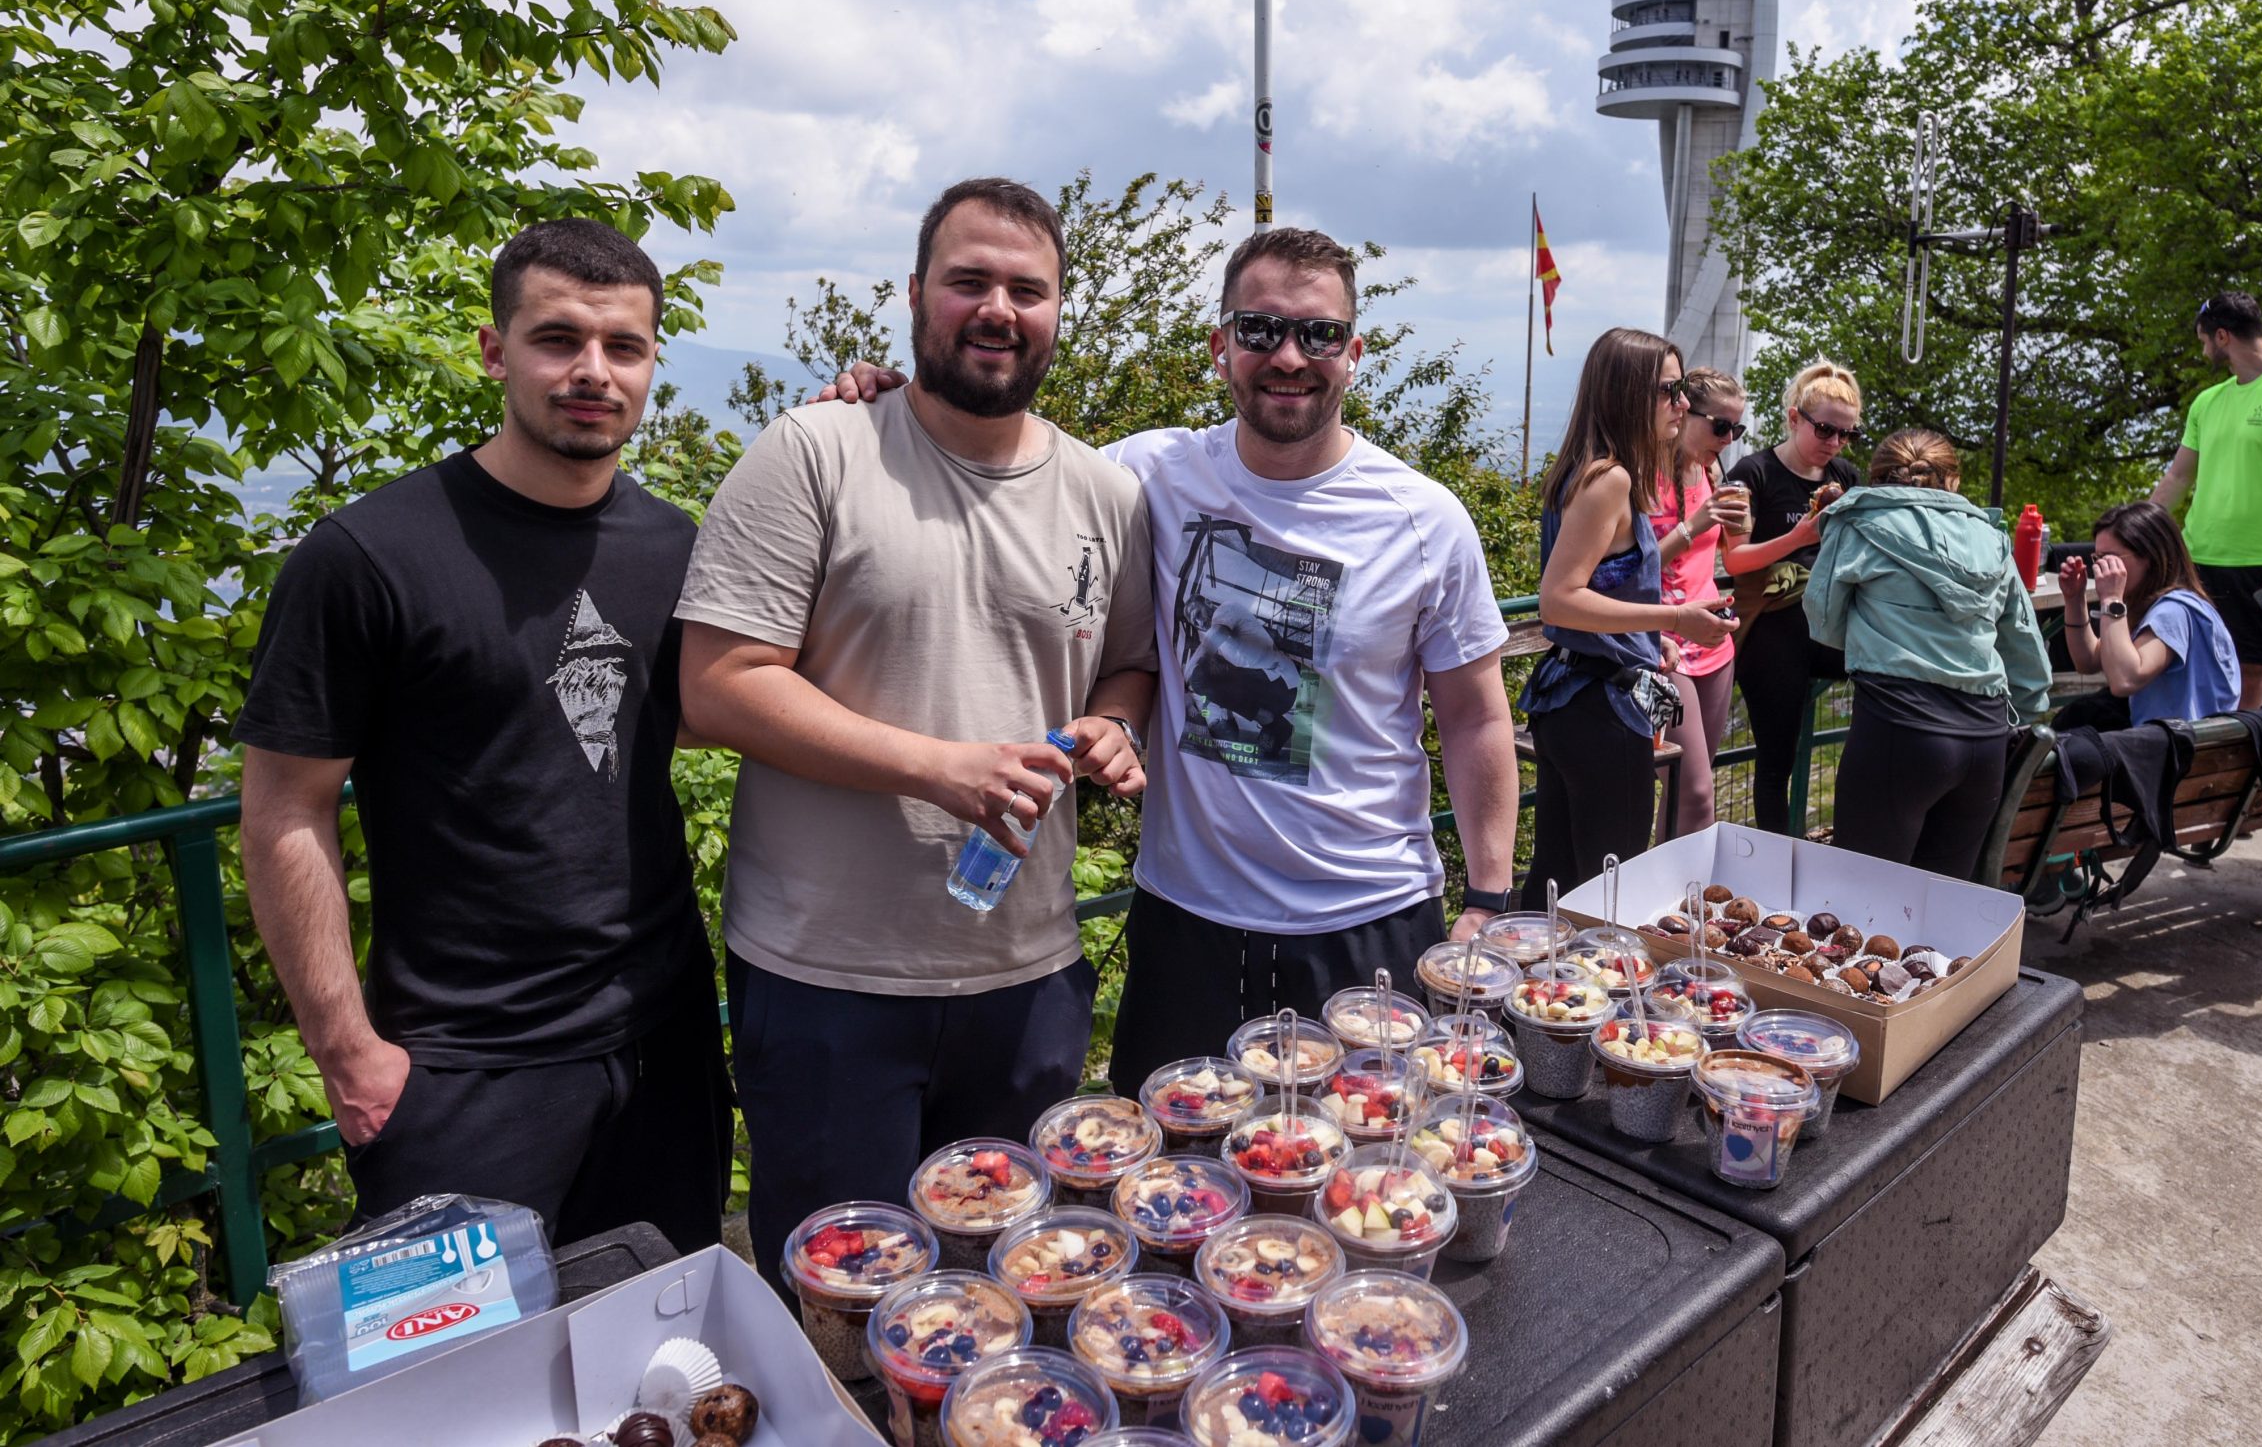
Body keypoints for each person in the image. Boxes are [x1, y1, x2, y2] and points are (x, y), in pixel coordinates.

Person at [821, 226, 1520, 1097]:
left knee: (1373, 1163)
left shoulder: (1424, 518)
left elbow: (1475, 716)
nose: (1289, 356)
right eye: (1261, 329)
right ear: (1221, 345)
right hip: (1186, 925)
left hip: (1366, 920)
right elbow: (1003, 458)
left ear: (1354, 353)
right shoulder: (1147, 472)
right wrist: (895, 406)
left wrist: (1488, 899)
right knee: (1167, 1164)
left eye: (1319, 334)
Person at [675, 178, 1158, 1292]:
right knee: (843, 1306)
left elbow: (1126, 663)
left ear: (1058, 310)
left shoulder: (1107, 493)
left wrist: (1113, 722)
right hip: (827, 976)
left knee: (1013, 1294)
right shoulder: (817, 450)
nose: (997, 309)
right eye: (968, 280)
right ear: (914, 294)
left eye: (1026, 289)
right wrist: (940, 768)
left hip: (1028, 972)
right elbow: (717, 686)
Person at [237, 219, 730, 1253]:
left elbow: (686, 715)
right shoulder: (367, 555)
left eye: (624, 346)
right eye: (558, 339)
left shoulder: (673, 544)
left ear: (652, 364)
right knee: (463, 1354)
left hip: (664, 1040)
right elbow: (285, 807)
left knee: (658, 1328)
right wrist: (346, 1052)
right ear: (494, 351)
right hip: (464, 1067)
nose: (592, 371)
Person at [1521, 329, 1739, 886]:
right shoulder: (1612, 479)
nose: (1683, 403)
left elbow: (1602, 584)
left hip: (1571, 698)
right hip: (1601, 710)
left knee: (1556, 881)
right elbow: (1559, 600)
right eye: (1669, 390)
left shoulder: (1587, 469)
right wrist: (1675, 619)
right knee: (1608, 890)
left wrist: (1645, 638)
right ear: (1627, 394)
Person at [1808, 430, 2051, 876]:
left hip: (1898, 728)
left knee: (1862, 897)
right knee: (1940, 902)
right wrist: (2030, 706)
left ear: (1878, 477)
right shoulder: (1992, 537)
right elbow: (2022, 640)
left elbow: (1823, 620)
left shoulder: (1854, 523)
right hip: (1986, 737)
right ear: (1952, 480)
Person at [2148, 292, 2262, 711]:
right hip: (2197, 560)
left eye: (2204, 341)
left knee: (2249, 677)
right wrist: (2135, 534)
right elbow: (2178, 477)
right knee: (2188, 666)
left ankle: (2242, 756)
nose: (2203, 352)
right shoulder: (2207, 402)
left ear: (2222, 336)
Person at [1724, 361, 1864, 831]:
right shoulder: (1753, 473)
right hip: (1772, 626)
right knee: (1775, 763)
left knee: (1890, 681)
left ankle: (1857, 832)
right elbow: (1735, 560)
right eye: (1825, 430)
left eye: (1848, 434)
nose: (1835, 442)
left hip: (1829, 622)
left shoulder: (1845, 476)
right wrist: (1799, 537)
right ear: (1793, 418)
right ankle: (1776, 856)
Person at [1647, 369, 1753, 840]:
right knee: (1694, 792)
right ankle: (1682, 882)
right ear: (1686, 412)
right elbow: (1631, 568)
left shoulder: (1710, 473)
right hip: (1663, 644)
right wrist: (1696, 524)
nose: (1728, 440)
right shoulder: (1643, 477)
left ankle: (1679, 884)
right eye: (1721, 426)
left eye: (1737, 429)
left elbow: (1731, 553)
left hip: (1713, 645)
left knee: (1688, 792)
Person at [2057, 500, 2243, 724]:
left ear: (2149, 557)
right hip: (2167, 735)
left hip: (2187, 740)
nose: (2099, 569)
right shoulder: (2147, 606)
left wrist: (2112, 600)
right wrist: (2075, 599)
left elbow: (2125, 680)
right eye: (2097, 559)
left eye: (2110, 559)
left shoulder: (2173, 611)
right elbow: (2088, 661)